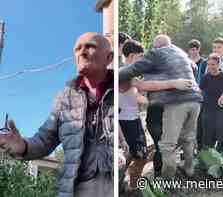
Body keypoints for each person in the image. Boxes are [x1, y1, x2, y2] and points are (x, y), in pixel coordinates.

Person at [0, 32, 114, 197]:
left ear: (109, 58)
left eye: (90, 46)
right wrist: (22, 146)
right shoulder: (64, 98)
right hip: (75, 190)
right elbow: (45, 140)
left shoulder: (120, 88)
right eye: (77, 49)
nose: (82, 52)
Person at [119, 35, 202, 178]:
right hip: (191, 101)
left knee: (163, 146)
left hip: (172, 104)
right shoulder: (181, 55)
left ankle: (166, 177)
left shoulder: (158, 56)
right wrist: (173, 82)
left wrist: (171, 83)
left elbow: (139, 83)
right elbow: (140, 86)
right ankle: (186, 170)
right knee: (184, 139)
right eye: (141, 56)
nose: (144, 58)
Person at [199, 53, 223, 152]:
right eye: (209, 64)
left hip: (222, 110)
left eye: (213, 64)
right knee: (207, 135)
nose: (210, 67)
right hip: (208, 110)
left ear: (218, 64)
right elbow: (199, 90)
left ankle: (221, 157)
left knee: (220, 134)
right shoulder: (205, 77)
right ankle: (207, 157)